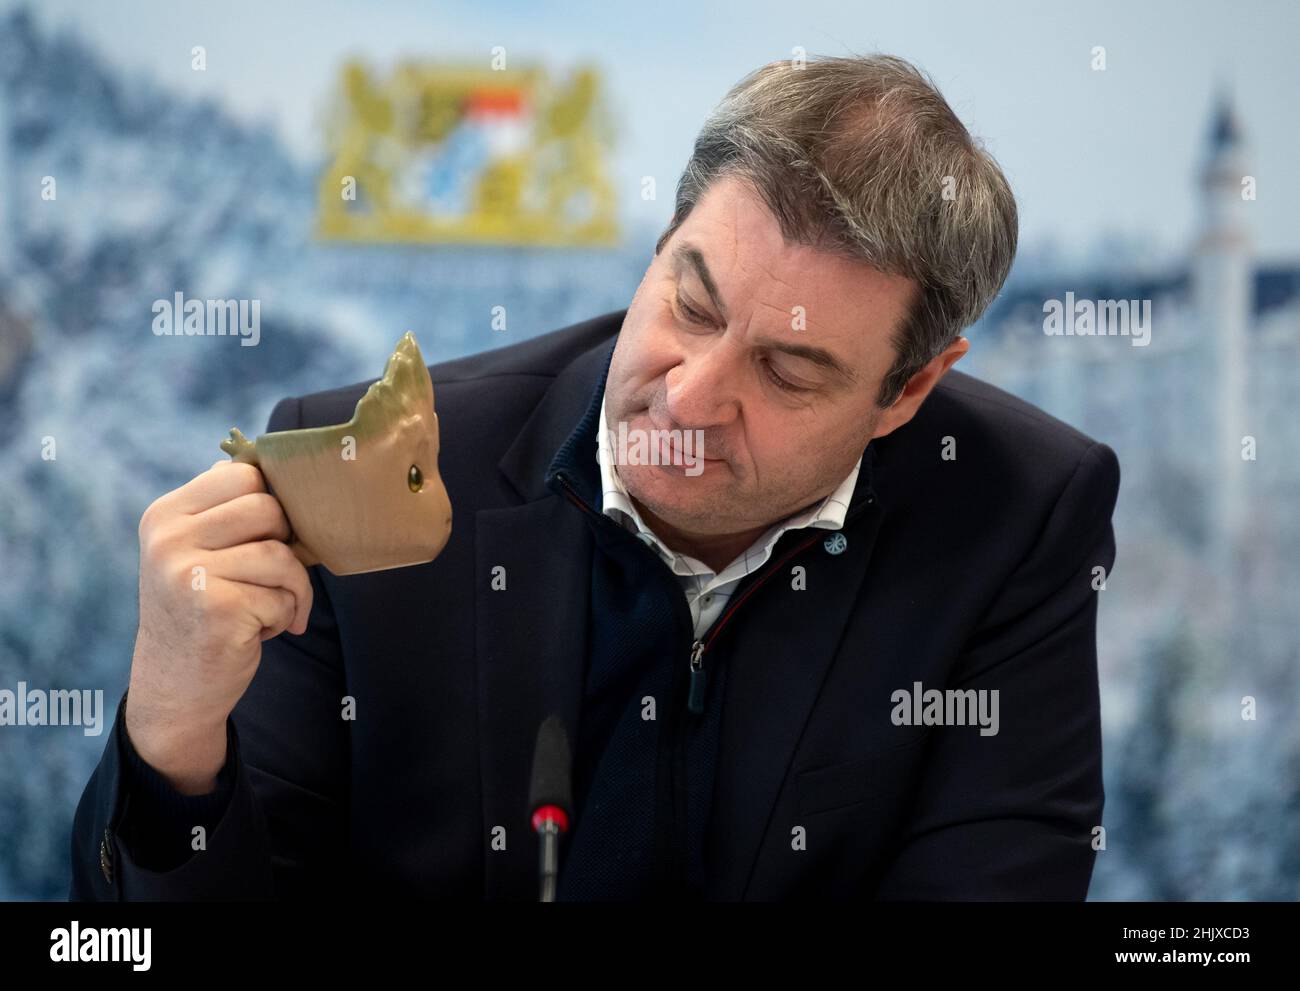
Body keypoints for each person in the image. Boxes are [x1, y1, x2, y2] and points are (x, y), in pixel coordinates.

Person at [70, 54, 1119, 901]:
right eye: (690, 306)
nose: (690, 397)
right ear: (659, 247)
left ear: (909, 390)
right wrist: (170, 736)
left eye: (789, 368)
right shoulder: (353, 475)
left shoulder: (1018, 517)